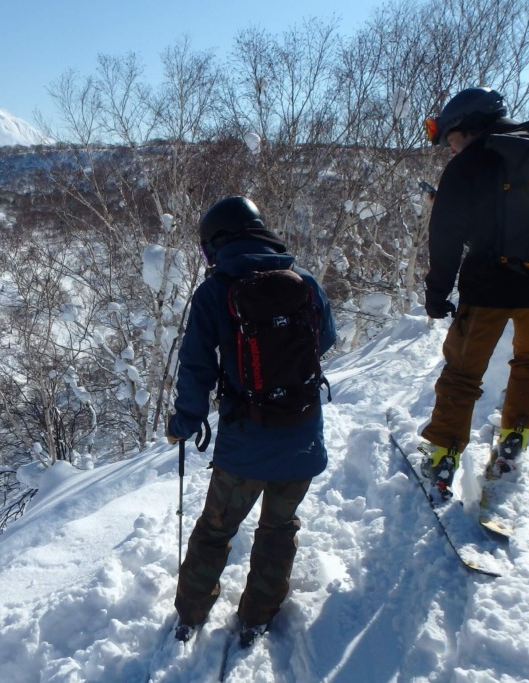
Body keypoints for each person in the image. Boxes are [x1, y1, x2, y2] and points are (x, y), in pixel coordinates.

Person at [165, 196, 336, 646]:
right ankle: (258, 614)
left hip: (245, 444)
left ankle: (191, 613)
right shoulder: (305, 282)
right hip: (301, 437)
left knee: (216, 529)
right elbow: (326, 339)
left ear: (218, 243)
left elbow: (197, 366)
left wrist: (185, 421)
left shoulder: (214, 293)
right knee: (279, 528)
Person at [419, 87, 529, 498]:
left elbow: (445, 238)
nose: (450, 147)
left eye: (450, 137)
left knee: (462, 373)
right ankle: (516, 437)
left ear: (467, 127)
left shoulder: (469, 165)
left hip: (487, 288)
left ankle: (443, 455)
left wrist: (436, 293)